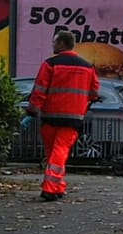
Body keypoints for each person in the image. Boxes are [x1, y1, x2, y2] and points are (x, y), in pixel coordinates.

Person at [26, 31, 101, 202]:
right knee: (59, 152)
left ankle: (51, 188)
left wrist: (32, 110)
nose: (52, 45)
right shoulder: (87, 66)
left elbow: (39, 90)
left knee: (53, 152)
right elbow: (94, 92)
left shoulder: (50, 64)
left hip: (50, 115)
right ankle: (57, 186)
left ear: (61, 43)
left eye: (54, 42)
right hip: (73, 117)